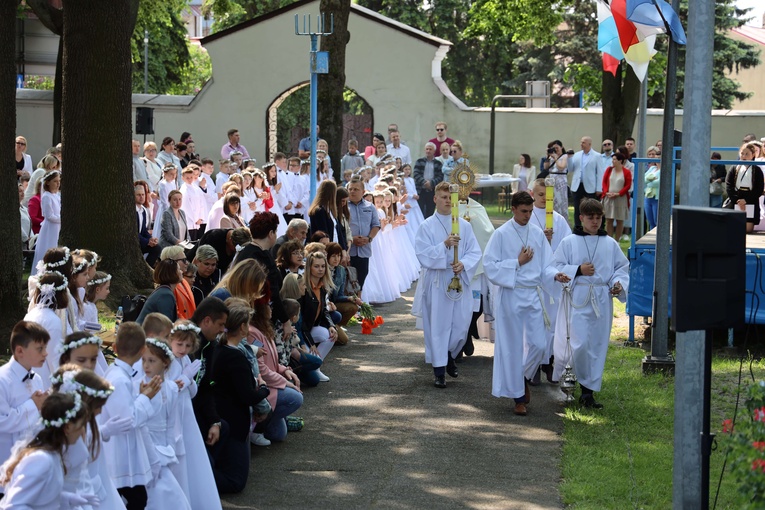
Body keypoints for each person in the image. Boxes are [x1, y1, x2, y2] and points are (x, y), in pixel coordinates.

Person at [483, 191, 570, 416]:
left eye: (530, 211)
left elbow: (547, 263)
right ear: (513, 209)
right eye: (524, 211)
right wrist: (516, 263)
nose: (528, 216)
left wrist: (555, 275)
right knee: (511, 346)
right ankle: (518, 397)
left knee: (540, 344)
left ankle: (520, 377)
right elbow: (490, 266)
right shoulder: (501, 234)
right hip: (511, 294)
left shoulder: (537, 233)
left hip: (533, 294)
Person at [552, 198, 629, 408]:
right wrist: (577, 270)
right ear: (581, 218)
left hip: (601, 299)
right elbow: (556, 266)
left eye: (598, 217)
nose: (595, 222)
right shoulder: (569, 242)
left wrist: (617, 284)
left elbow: (620, 268)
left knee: (596, 345)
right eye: (590, 218)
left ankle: (588, 393)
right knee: (579, 344)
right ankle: (570, 380)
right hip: (578, 297)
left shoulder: (610, 243)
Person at [414, 182, 482, 388]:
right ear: (435, 199)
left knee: (460, 326)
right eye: (443, 197)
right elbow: (422, 254)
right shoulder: (426, 226)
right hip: (437, 281)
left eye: (450, 198)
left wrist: (464, 264)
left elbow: (475, 252)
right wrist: (444, 245)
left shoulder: (465, 225)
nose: (447, 201)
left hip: (459, 278)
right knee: (438, 326)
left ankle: (450, 354)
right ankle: (439, 371)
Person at [99, 322, 162, 509]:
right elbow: (129, 420)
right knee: (135, 500)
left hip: (123, 449)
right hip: (120, 454)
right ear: (143, 350)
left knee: (136, 499)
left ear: (115, 347)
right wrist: (145, 397)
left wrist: (138, 397)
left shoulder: (115, 372)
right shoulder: (118, 378)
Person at [210, 306, 271, 493]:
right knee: (235, 481)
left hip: (224, 415)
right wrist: (263, 389)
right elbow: (248, 396)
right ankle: (196, 479)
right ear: (243, 327)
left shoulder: (219, 348)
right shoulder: (236, 357)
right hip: (234, 421)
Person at [165, 320, 222, 510]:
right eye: (179, 344)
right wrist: (184, 378)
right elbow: (169, 390)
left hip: (186, 411)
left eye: (188, 345)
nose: (183, 349)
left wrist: (190, 381)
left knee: (192, 453)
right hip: (174, 414)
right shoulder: (169, 362)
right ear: (170, 340)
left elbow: (192, 393)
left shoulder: (185, 359)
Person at [0, 392, 89, 508]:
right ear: (67, 427)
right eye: (81, 425)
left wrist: (65, 499)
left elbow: (40, 497)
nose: (82, 430)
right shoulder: (41, 460)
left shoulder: (53, 453)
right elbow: (14, 506)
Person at [139, 337, 193, 509]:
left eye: (152, 361)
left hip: (164, 448)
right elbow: (141, 424)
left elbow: (171, 423)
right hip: (146, 449)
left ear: (165, 364)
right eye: (143, 360)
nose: (146, 365)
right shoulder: (140, 387)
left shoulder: (170, 388)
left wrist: (170, 449)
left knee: (170, 492)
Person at [249, 300, 305, 442]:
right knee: (296, 398)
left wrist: (284, 370)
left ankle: (268, 421)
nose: (272, 308)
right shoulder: (253, 333)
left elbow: (272, 361)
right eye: (269, 305)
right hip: (264, 385)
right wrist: (285, 382)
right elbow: (260, 368)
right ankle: (256, 425)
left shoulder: (265, 328)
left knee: (278, 435)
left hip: (271, 381)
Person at [0, 321, 49, 471]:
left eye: (45, 348)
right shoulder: (2, 380)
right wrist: (33, 405)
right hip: (6, 459)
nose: (45, 353)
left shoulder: (37, 379)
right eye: (40, 349)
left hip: (31, 459)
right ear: (20, 351)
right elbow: (2, 421)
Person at [23, 271, 71, 388]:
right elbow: (54, 357)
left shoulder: (32, 313)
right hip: (43, 378)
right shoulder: (53, 321)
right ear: (61, 295)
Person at [301, 251, 338, 359]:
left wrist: (331, 325)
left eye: (323, 266)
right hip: (301, 332)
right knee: (308, 359)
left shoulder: (322, 287)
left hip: (312, 327)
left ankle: (317, 365)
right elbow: (300, 320)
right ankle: (314, 365)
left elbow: (324, 310)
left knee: (330, 335)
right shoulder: (303, 287)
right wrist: (311, 343)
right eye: (316, 266)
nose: (321, 269)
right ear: (309, 268)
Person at [347, 177, 381, 291]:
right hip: (348, 251)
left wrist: (369, 238)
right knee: (347, 281)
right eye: (350, 189)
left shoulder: (370, 206)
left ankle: (358, 306)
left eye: (356, 189)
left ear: (363, 192)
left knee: (361, 279)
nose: (352, 191)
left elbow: (376, 225)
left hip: (364, 250)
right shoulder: (343, 206)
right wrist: (351, 239)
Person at [326, 242, 361, 345]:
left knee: (352, 307)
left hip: (334, 304)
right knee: (343, 340)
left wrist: (350, 298)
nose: (336, 259)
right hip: (324, 306)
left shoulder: (341, 270)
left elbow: (339, 295)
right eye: (333, 256)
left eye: (339, 256)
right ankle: (329, 329)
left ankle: (336, 327)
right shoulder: (322, 268)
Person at [726, 143, 765, 233]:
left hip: (750, 199)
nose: (744, 156)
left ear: (753, 155)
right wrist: (737, 200)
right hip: (736, 197)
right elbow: (729, 186)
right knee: (734, 227)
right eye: (742, 153)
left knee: (747, 229)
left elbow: (759, 189)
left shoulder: (757, 170)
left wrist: (746, 200)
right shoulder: (734, 168)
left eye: (747, 154)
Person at [568, 136, 605, 228]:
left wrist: (599, 188)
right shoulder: (577, 155)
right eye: (581, 142)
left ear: (589, 144)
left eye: (584, 142)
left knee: (591, 207)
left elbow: (600, 173)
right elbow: (570, 169)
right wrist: (569, 158)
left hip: (590, 186)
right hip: (577, 185)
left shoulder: (597, 156)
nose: (581, 144)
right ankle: (577, 227)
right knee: (577, 207)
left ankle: (590, 226)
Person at [30, 171, 62, 275]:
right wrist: (62, 218)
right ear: (48, 182)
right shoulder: (46, 196)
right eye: (55, 181)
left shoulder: (57, 195)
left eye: (59, 181)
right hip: (50, 229)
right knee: (49, 247)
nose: (58, 184)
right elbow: (50, 216)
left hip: (58, 227)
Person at [136, 259, 181, 324]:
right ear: (173, 273)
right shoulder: (165, 295)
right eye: (179, 269)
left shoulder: (163, 291)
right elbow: (167, 323)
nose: (181, 272)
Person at [601, 152, 633, 240]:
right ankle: (609, 239)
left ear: (620, 161)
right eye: (613, 159)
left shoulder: (626, 172)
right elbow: (604, 182)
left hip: (621, 198)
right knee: (609, 220)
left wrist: (619, 193)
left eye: (615, 159)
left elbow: (628, 185)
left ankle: (617, 239)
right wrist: (606, 192)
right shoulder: (609, 170)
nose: (613, 161)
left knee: (620, 220)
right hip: (609, 197)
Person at [161, 246, 197, 320]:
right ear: (172, 262)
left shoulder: (184, 281)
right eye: (183, 260)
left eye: (186, 259)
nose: (187, 263)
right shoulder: (168, 285)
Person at [413, 143, 444, 218]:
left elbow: (440, 176)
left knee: (430, 211)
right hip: (421, 191)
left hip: (432, 191)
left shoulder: (438, 163)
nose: (428, 151)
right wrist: (424, 183)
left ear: (434, 151)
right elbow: (416, 174)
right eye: (427, 149)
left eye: (430, 149)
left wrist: (431, 183)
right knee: (419, 211)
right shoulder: (419, 161)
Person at [309, 180, 344, 245]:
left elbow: (338, 232)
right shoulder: (319, 211)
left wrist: (343, 249)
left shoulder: (331, 211)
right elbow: (323, 233)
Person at [136, 184, 162, 266]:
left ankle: (147, 268)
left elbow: (143, 230)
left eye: (143, 194)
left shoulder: (143, 210)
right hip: (132, 242)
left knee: (157, 248)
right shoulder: (132, 211)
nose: (141, 197)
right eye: (138, 195)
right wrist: (147, 242)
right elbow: (133, 232)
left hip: (141, 240)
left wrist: (151, 239)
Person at [644, 146, 661, 230]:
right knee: (650, 221)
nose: (657, 160)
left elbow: (658, 183)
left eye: (659, 158)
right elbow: (644, 179)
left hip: (657, 198)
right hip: (648, 197)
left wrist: (650, 179)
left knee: (656, 220)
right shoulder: (652, 168)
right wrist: (651, 179)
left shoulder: (664, 170)